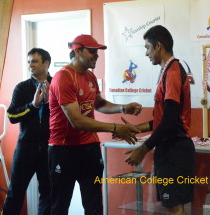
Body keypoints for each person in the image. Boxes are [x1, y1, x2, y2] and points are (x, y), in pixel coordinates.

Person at [48, 34, 142, 215]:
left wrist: (123, 108)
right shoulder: (63, 77)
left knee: (94, 205)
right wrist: (116, 128)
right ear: (77, 51)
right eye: (92, 52)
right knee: (60, 206)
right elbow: (77, 121)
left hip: (89, 148)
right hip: (63, 149)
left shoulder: (90, 76)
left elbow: (98, 104)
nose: (96, 55)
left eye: (97, 51)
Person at [124, 25, 195, 215]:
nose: (147, 53)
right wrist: (137, 128)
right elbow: (165, 119)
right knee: (173, 206)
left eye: (147, 48)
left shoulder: (172, 72)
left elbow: (171, 122)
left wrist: (143, 148)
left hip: (174, 149)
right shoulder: (168, 70)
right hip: (170, 149)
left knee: (174, 207)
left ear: (158, 46)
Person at [3, 48, 52, 215]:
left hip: (49, 149)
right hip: (26, 148)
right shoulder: (22, 88)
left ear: (46, 63)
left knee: (48, 194)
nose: (30, 64)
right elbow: (11, 115)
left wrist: (48, 103)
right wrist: (33, 105)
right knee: (15, 193)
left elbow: (64, 116)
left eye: (35, 61)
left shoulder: (57, 85)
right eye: (29, 61)